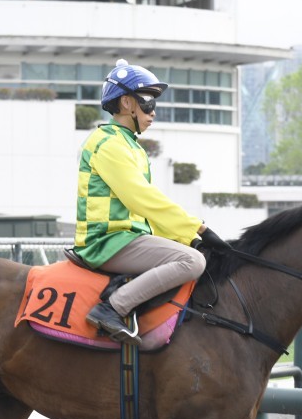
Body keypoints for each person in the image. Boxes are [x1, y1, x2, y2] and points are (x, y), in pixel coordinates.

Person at [74, 59, 229, 345]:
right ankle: (113, 307)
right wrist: (199, 229)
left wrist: (188, 237)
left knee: (193, 252)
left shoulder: (129, 144)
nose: (153, 111)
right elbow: (143, 199)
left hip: (126, 239)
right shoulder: (108, 144)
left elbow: (144, 214)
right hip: (107, 242)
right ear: (125, 103)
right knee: (191, 261)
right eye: (147, 102)